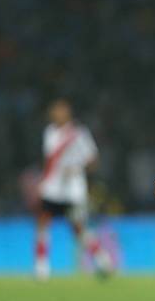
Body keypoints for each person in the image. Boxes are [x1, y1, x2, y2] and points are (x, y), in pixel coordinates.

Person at [35, 99, 113, 280]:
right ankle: (41, 267)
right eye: (55, 111)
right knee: (43, 223)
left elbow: (93, 159)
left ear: (68, 113)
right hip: (53, 188)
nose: (57, 114)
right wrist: (43, 181)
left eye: (61, 111)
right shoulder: (50, 132)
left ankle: (102, 260)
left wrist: (77, 167)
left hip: (73, 190)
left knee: (78, 227)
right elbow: (48, 160)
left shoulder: (78, 133)